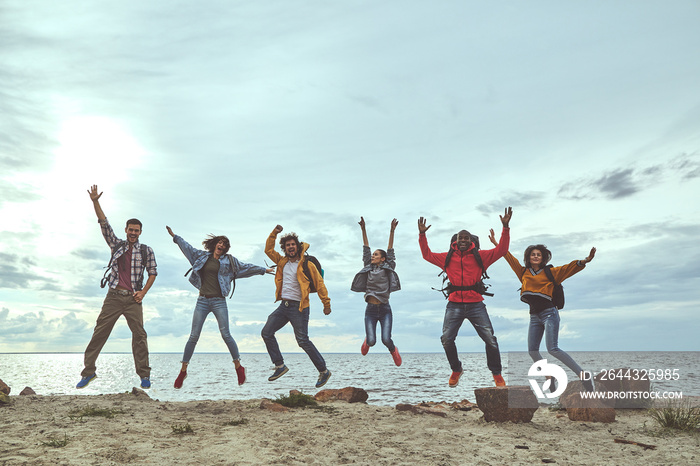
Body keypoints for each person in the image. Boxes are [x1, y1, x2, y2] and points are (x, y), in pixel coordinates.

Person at [166, 226, 274, 389]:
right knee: (193, 336)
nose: (221, 245)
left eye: (225, 244)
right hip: (202, 300)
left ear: (226, 248)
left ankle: (238, 367)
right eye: (220, 242)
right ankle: (183, 371)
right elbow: (187, 248)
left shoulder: (229, 261)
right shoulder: (201, 256)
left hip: (219, 301)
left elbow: (246, 267)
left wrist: (263, 270)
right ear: (215, 244)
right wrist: (175, 237)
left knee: (226, 334)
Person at [489, 229, 596, 391]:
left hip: (549, 314)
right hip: (534, 317)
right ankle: (549, 377)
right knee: (532, 351)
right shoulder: (523, 272)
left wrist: (585, 260)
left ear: (543, 257)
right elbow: (509, 259)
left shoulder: (550, 272)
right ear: (528, 257)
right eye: (533, 254)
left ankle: (582, 375)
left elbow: (568, 268)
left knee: (552, 349)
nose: (536, 256)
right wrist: (498, 245)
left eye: (539, 254)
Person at [418, 207, 512, 388]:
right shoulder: (447, 257)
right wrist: (422, 235)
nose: (463, 240)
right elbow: (426, 255)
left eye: (466, 238)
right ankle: (456, 369)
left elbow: (501, 250)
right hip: (454, 304)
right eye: (460, 238)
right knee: (446, 339)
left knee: (490, 339)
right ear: (455, 241)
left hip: (476, 303)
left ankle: (497, 374)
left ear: (471, 241)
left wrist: (505, 228)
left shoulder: (481, 256)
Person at [76, 185, 157, 390]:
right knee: (99, 333)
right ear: (126, 230)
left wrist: (143, 292)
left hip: (133, 299)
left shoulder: (147, 251)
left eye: (136, 231)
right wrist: (95, 201)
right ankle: (89, 373)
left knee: (140, 336)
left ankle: (144, 376)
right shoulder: (117, 245)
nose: (133, 233)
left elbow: (153, 273)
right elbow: (104, 224)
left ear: (140, 232)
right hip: (113, 296)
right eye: (130, 229)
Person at [262, 225, 332, 388]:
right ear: (285, 248)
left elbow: (320, 284)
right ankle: (280, 366)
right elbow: (268, 250)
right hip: (283, 306)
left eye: (293, 244)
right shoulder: (282, 261)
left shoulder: (307, 264)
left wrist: (326, 303)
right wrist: (274, 233)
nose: (290, 247)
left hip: (299, 308)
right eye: (287, 245)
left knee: (302, 340)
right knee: (266, 332)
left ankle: (323, 370)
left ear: (298, 246)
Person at [351, 217, 402, 366]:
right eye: (373, 255)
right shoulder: (369, 266)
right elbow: (366, 249)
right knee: (372, 341)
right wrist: (363, 229)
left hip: (385, 309)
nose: (373, 256)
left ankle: (394, 350)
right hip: (371, 310)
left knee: (386, 339)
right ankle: (368, 339)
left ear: (383, 259)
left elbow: (391, 251)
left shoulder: (389, 267)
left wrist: (392, 231)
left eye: (376, 255)